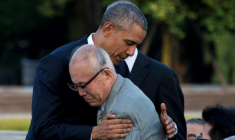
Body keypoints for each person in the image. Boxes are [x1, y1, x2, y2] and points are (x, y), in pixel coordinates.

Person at [26, 1, 185, 140]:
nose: (131, 52)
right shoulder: (56, 63)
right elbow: (41, 129)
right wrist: (93, 133)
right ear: (108, 29)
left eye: (136, 45)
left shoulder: (119, 66)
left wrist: (163, 127)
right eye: (129, 42)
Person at [69, 44, 166, 139]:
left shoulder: (120, 113)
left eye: (84, 85)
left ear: (107, 74)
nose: (80, 93)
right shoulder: (124, 86)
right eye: (76, 86)